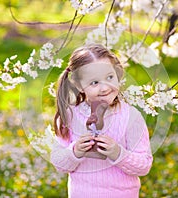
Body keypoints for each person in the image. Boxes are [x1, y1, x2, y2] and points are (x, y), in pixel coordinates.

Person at [50, 43, 153, 198]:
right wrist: (74, 152)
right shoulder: (71, 116)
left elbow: (144, 165)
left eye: (109, 77)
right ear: (79, 85)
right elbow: (58, 162)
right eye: (94, 82)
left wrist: (118, 153)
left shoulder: (131, 117)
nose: (104, 88)